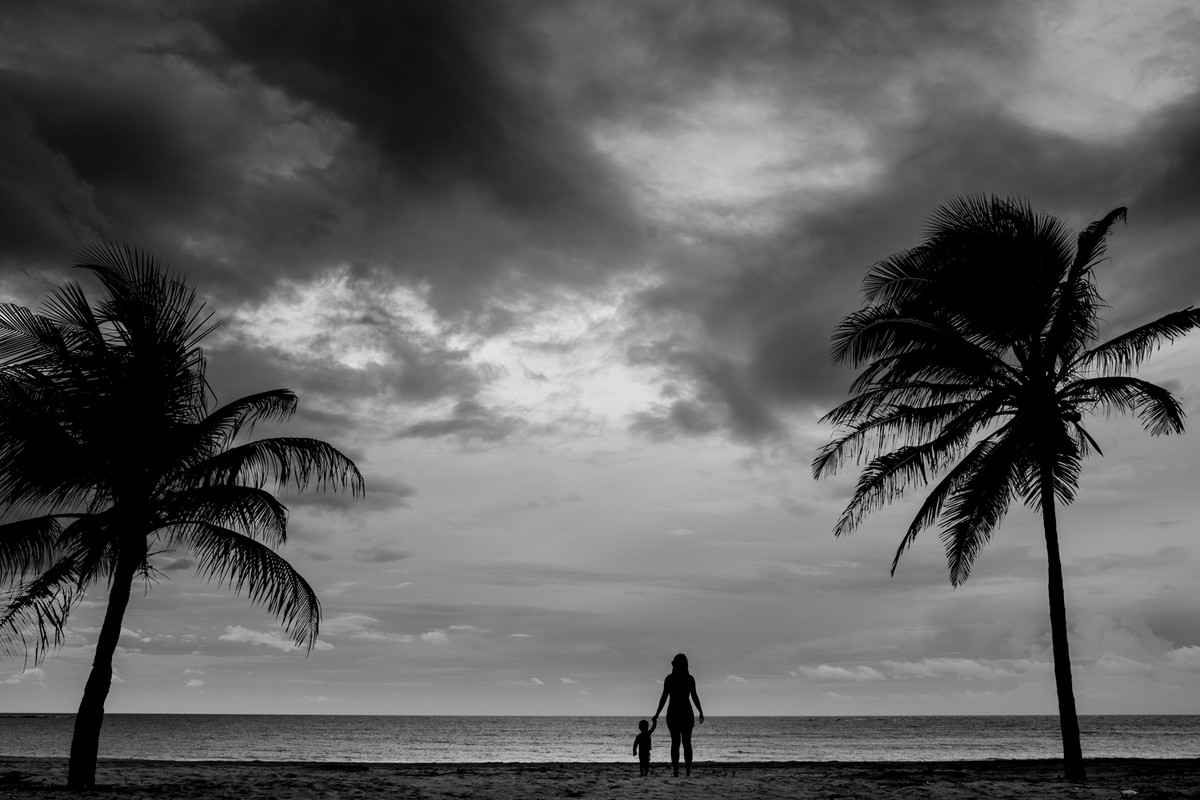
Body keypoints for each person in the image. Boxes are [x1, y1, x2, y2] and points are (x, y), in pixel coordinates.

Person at [651, 653, 704, 777]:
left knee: (680, 743)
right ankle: (683, 771)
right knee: (683, 743)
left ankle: (681, 771)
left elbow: (693, 696)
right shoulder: (683, 679)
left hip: (678, 713)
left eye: (674, 664)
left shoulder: (675, 679)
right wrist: (657, 713)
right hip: (680, 713)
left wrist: (700, 711)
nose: (674, 666)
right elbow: (664, 697)